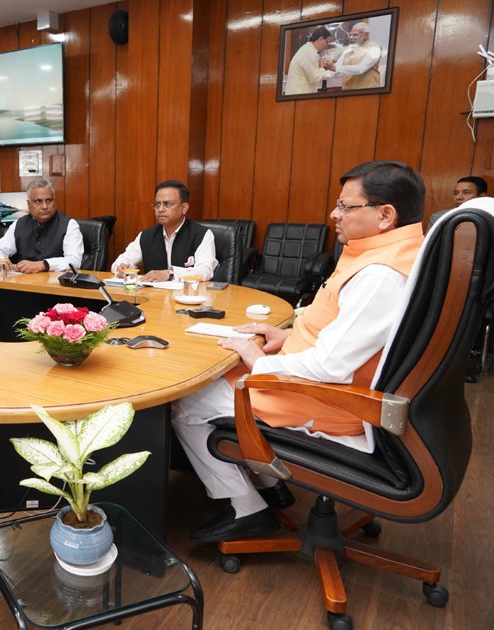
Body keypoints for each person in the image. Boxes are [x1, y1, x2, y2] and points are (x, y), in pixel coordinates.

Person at [171, 160, 425, 542]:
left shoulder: (381, 275)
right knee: (217, 377)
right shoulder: (391, 254)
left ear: (385, 215)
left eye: (345, 206)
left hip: (328, 400)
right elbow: (345, 334)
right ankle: (271, 485)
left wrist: (260, 361)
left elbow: (330, 365)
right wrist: (286, 336)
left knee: (186, 400)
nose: (334, 214)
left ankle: (248, 509)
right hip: (320, 382)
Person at [110, 179, 218, 282]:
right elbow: (119, 262)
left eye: (168, 204)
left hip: (187, 293)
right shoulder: (147, 236)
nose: (160, 209)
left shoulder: (201, 234)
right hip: (153, 294)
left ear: (184, 208)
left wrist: (171, 274)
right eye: (157, 204)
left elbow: (205, 271)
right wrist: (122, 268)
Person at [0, 178, 84, 273]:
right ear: (28, 204)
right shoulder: (19, 224)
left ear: (54, 201)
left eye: (49, 200)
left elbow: (74, 261)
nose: (45, 206)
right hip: (23, 282)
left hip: (54, 283)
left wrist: (43, 265)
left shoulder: (69, 225)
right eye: (38, 201)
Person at [283, 27, 335, 96]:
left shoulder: (308, 50)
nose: (326, 46)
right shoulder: (309, 52)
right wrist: (332, 70)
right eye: (326, 42)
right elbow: (315, 78)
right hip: (299, 98)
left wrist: (321, 67)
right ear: (320, 39)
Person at [334, 22, 383, 90]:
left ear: (366, 35)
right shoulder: (348, 51)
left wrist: (335, 68)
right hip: (347, 93)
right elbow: (335, 70)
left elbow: (360, 69)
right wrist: (324, 69)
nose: (351, 37)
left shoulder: (374, 48)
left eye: (355, 34)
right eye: (350, 34)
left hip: (368, 92)